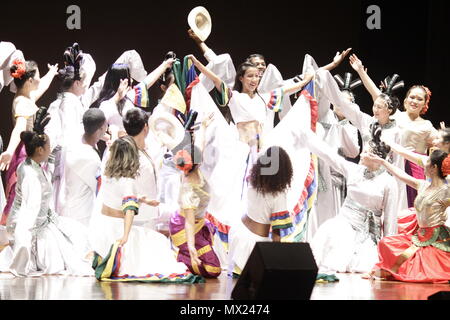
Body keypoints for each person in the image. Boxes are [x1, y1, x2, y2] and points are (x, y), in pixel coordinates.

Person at [88, 135, 199, 282]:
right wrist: (126, 236)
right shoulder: (128, 181)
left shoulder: (109, 176)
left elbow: (119, 195)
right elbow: (129, 210)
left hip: (104, 227)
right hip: (118, 230)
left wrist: (144, 199)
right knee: (159, 241)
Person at [0, 108, 93, 277]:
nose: (50, 150)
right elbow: (30, 211)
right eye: (48, 147)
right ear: (40, 150)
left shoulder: (34, 165)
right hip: (30, 225)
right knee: (59, 258)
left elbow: (48, 167)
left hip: (43, 219)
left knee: (77, 232)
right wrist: (25, 240)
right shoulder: (30, 174)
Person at [303, 123, 399, 274]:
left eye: (365, 152)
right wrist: (306, 137)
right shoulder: (355, 170)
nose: (360, 154)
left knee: (364, 264)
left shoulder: (388, 182)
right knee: (333, 235)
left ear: (376, 157)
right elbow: (330, 156)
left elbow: (390, 220)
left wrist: (388, 252)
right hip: (345, 221)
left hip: (367, 232)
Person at [349, 54, 438, 206]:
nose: (414, 101)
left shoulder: (427, 126)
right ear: (405, 100)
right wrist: (361, 72)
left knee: (410, 210)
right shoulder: (396, 115)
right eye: (412, 97)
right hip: (393, 165)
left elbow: (441, 147)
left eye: (419, 99)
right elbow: (376, 93)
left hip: (414, 171)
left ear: (425, 104)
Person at [369, 149, 450, 283]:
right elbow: (401, 175)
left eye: (427, 162)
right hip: (419, 236)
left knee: (430, 265)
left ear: (434, 168)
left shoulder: (446, 191)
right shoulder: (423, 185)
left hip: (437, 237)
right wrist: (383, 162)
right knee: (386, 243)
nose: (424, 165)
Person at [0, 58, 58, 225]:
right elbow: (19, 128)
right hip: (25, 153)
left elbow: (44, 85)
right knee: (20, 197)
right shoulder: (22, 102)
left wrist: (51, 73)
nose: (40, 78)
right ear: (30, 80)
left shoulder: (26, 96)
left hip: (31, 151)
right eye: (38, 75)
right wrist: (10, 151)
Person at [308, 72, 361, 241]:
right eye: (339, 100)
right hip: (318, 173)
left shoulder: (350, 127)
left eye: (348, 102)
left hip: (336, 179)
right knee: (316, 212)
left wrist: (343, 123)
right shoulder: (323, 119)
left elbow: (353, 152)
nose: (342, 105)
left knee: (334, 213)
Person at [169, 112, 221, 278]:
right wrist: (191, 248)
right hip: (184, 227)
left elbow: (200, 143)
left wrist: (204, 125)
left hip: (196, 222)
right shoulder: (188, 189)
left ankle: (184, 252)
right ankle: (179, 255)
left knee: (211, 265)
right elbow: (189, 223)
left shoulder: (194, 166)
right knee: (213, 269)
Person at [228, 146, 293, 275]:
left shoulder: (251, 181)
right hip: (253, 245)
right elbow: (276, 233)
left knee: (238, 286)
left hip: (238, 233)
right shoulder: (279, 195)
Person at [90, 55, 174, 142]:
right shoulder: (106, 104)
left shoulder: (129, 96)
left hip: (133, 147)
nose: (132, 80)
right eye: (129, 77)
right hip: (118, 149)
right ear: (121, 81)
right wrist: (114, 138)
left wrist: (165, 65)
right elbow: (95, 129)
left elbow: (148, 81)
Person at [60, 109, 107, 226]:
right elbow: (99, 188)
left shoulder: (72, 143)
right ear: (101, 129)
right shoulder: (90, 158)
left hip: (66, 207)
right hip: (81, 215)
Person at [122, 108, 161, 230]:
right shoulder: (129, 154)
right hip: (139, 218)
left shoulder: (139, 148)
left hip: (146, 214)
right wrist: (142, 199)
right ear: (145, 128)